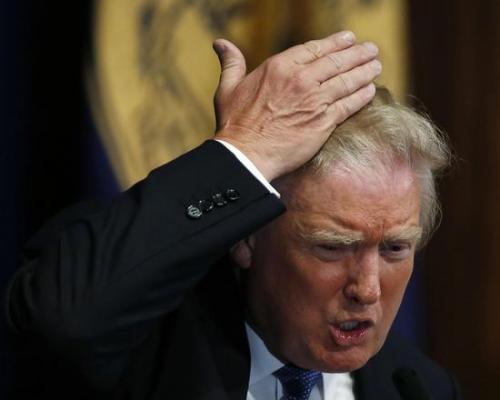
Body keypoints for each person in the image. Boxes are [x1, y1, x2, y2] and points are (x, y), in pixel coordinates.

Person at [5, 31, 460, 399]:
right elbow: (63, 321)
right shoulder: (148, 353)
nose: (368, 289)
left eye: (395, 248)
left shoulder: (420, 387)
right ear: (246, 238)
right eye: (332, 247)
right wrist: (242, 154)